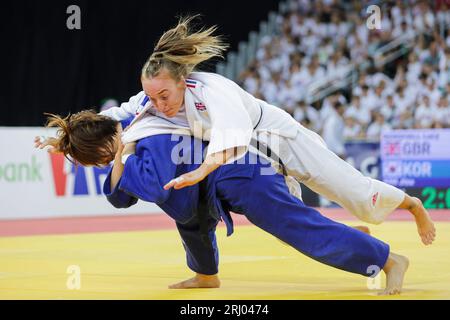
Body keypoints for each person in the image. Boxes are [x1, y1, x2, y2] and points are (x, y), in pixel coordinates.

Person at [99, 16, 435, 245]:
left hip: (283, 140)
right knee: (290, 221)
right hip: (256, 158)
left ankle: (412, 205)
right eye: (152, 97)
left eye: (164, 95)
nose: (158, 104)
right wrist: (65, 134)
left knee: (358, 195)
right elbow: (116, 115)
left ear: (183, 82)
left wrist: (201, 171)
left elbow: (232, 135)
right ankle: (356, 238)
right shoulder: (149, 100)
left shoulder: (212, 90)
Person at [39, 110, 410, 295]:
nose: (105, 163)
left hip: (240, 170)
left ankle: (387, 258)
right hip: (204, 188)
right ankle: (206, 274)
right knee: (191, 222)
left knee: (295, 228)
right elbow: (119, 196)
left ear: (108, 141)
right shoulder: (128, 135)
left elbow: (158, 189)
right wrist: (71, 144)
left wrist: (125, 154)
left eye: (101, 157)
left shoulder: (148, 135)